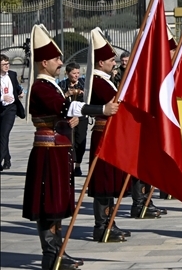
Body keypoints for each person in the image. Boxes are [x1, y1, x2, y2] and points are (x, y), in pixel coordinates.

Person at [23, 25, 119, 270]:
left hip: (58, 151)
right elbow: (64, 107)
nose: (60, 63)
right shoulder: (40, 86)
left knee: (56, 201)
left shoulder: (50, 85)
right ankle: (51, 255)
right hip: (48, 152)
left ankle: (58, 252)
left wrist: (68, 121)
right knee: (48, 202)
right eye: (56, 59)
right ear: (44, 62)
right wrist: (101, 110)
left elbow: (61, 113)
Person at [86, 31, 132, 242]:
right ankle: (102, 225)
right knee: (103, 180)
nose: (115, 63)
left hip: (111, 133)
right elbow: (115, 102)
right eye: (111, 60)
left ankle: (109, 222)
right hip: (103, 134)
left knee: (110, 180)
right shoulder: (98, 81)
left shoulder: (106, 79)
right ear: (101, 62)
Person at [59, 63, 88, 177]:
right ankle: (70, 164)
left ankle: (78, 165)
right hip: (68, 116)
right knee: (70, 140)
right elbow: (58, 99)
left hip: (81, 116)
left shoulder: (83, 83)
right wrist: (67, 94)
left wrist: (83, 93)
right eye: (74, 73)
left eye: (78, 73)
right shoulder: (62, 84)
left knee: (80, 140)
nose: (76, 75)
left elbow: (89, 96)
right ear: (67, 73)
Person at [1, 52, 26, 171]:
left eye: (8, 63)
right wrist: (2, 97)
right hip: (0, 107)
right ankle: (7, 159)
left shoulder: (12, 74)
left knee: (4, 134)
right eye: (4, 64)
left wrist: (20, 92)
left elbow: (16, 87)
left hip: (10, 108)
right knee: (1, 136)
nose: (7, 66)